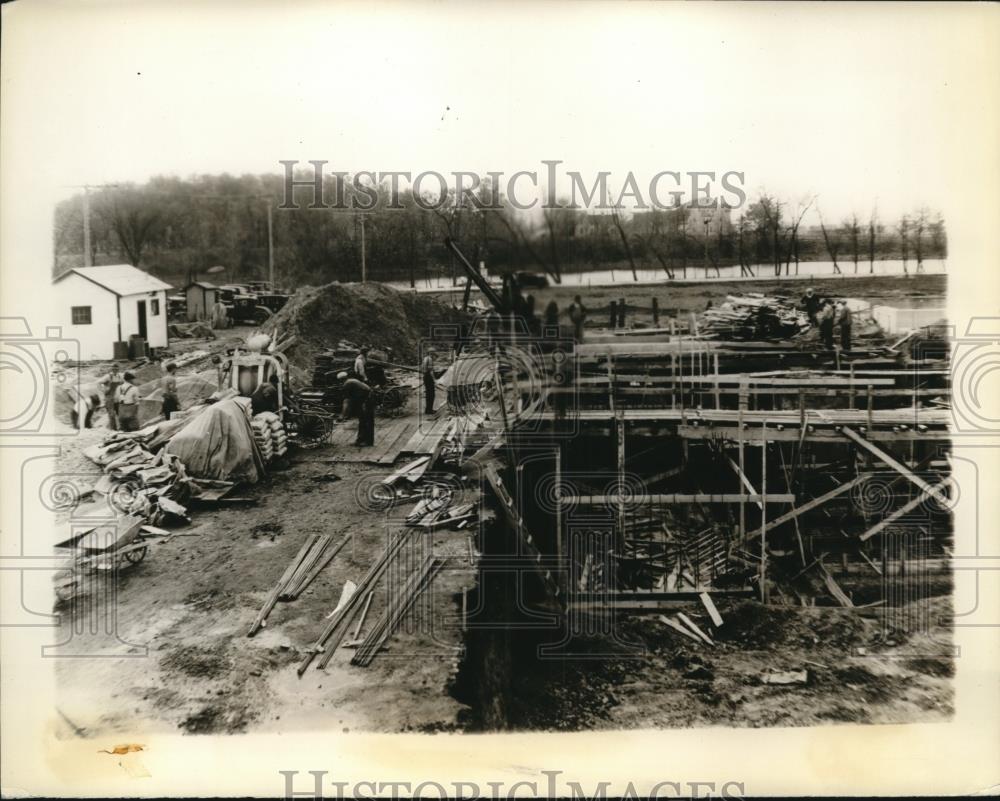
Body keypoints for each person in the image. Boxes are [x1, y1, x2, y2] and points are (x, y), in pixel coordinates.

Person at [338, 372, 375, 446]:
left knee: (366, 420)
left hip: (367, 400)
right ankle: (360, 440)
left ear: (341, 380)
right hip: (366, 399)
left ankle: (367, 442)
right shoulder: (352, 380)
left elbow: (346, 401)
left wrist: (342, 415)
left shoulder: (347, 384)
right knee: (362, 420)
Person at [97, 363, 124, 429]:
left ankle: (121, 428)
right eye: (114, 369)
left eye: (116, 369)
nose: (115, 370)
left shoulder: (120, 376)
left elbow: (123, 385)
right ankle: (113, 429)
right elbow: (98, 383)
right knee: (111, 414)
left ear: (118, 369)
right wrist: (104, 390)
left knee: (120, 413)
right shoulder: (108, 376)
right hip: (109, 398)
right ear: (112, 369)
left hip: (117, 398)